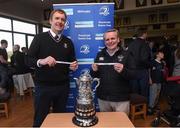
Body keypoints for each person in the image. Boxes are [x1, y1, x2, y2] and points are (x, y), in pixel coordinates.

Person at [27, 9, 78, 127]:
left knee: (59, 119)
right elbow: (28, 60)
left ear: (65, 23)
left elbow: (72, 61)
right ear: (50, 20)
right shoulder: (39, 38)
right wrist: (42, 61)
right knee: (40, 119)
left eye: (63, 19)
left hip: (62, 87)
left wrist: (73, 66)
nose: (60, 21)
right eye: (57, 18)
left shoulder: (68, 42)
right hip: (43, 87)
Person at [91, 29, 135, 115]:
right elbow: (94, 75)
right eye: (107, 39)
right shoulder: (100, 54)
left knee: (121, 125)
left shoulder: (127, 54)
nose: (110, 41)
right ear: (104, 42)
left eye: (113, 38)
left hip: (121, 99)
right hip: (103, 99)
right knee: (106, 124)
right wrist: (94, 70)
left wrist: (123, 70)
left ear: (118, 39)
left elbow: (133, 75)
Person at [128, 27, 151, 101]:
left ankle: (135, 110)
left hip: (132, 71)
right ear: (144, 34)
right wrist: (151, 65)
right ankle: (144, 110)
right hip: (142, 71)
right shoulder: (145, 44)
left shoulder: (131, 44)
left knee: (134, 92)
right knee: (144, 92)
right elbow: (144, 59)